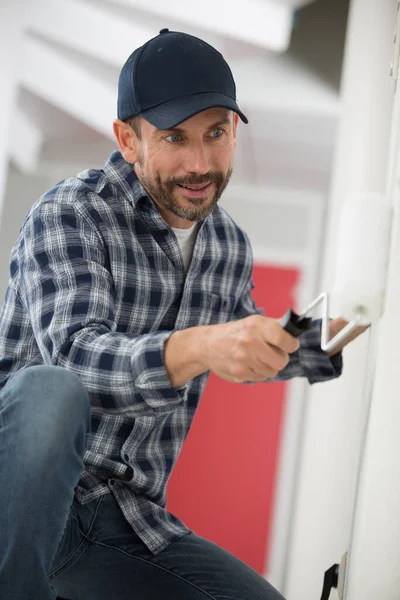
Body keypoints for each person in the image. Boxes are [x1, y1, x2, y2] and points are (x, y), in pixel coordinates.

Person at [0, 29, 366, 600]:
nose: (200, 162)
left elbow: (247, 344)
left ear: (235, 132)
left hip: (125, 522)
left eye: (216, 133)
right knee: (49, 390)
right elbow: (75, 360)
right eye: (174, 138)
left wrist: (330, 338)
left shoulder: (228, 247)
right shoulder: (74, 211)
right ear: (127, 139)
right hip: (25, 494)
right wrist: (198, 347)